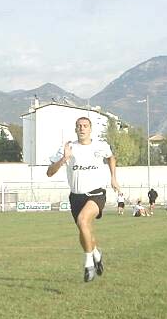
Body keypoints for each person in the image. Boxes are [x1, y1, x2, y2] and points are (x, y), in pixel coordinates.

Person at [47, 116, 120, 282]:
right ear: (75, 129)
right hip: (76, 196)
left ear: (90, 129)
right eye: (79, 126)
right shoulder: (68, 148)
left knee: (82, 220)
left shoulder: (100, 145)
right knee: (84, 230)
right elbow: (49, 172)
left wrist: (113, 178)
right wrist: (64, 159)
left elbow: (111, 157)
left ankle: (88, 265)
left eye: (85, 126)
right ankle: (95, 254)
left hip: (96, 194)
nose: (82, 128)